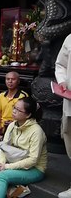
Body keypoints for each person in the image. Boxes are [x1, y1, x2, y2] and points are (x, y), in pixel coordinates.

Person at [55, 33, 71, 198]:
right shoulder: (70, 38)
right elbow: (61, 64)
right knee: (68, 136)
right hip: (70, 100)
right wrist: (62, 81)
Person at [0, 72, 28, 140]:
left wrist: (14, 122)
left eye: (13, 79)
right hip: (2, 127)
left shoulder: (23, 96)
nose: (10, 81)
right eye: (8, 79)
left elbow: (25, 114)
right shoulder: (1, 95)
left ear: (18, 81)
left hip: (15, 127)